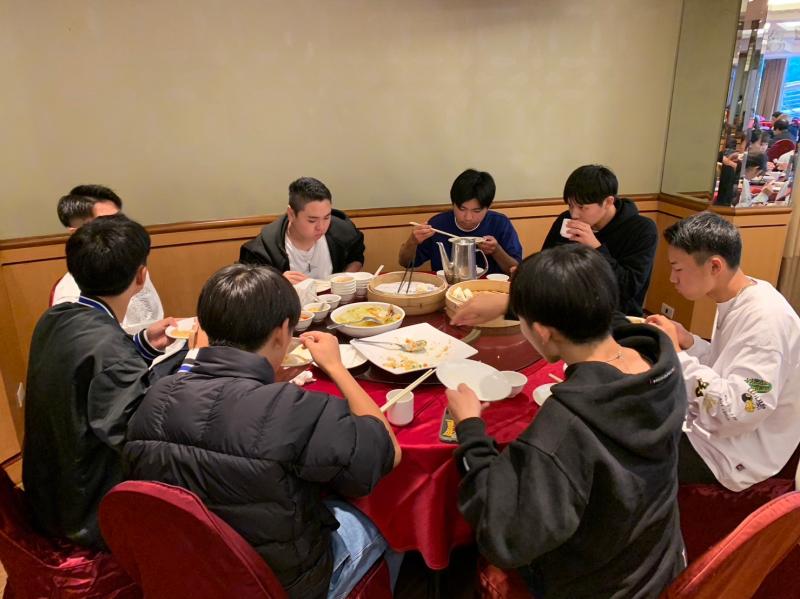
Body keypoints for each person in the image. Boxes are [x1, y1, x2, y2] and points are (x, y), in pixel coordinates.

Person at [124, 264, 401, 599]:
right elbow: (385, 453)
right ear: (283, 331)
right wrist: (335, 367)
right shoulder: (292, 409)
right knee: (389, 518)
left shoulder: (156, 396)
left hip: (192, 574)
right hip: (281, 586)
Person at [446, 244, 686, 598]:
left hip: (597, 585)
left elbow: (504, 535)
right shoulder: (658, 361)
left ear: (543, 332)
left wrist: (469, 428)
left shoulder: (564, 426)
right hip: (659, 563)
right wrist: (512, 305)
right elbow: (608, 317)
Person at [22, 215, 174, 548]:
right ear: (141, 276)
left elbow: (92, 373)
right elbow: (142, 440)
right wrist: (196, 364)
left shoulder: (55, 318)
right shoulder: (110, 352)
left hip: (46, 497)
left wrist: (143, 344)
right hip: (88, 516)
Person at [646, 212, 800, 491]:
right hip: (718, 432)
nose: (672, 278)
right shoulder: (740, 297)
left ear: (714, 265)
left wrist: (678, 355)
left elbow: (740, 410)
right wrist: (690, 342)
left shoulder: (766, 321)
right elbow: (727, 365)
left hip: (735, 455)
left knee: (626, 449)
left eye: (678, 269)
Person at [541, 165, 658, 316]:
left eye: (582, 207)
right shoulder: (566, 219)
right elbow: (545, 263)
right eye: (570, 205)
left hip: (616, 316)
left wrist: (596, 248)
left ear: (608, 202)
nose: (574, 214)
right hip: (569, 309)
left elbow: (627, 288)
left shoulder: (642, 230)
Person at [52, 184, 164, 334]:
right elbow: (100, 343)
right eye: (107, 222)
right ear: (77, 233)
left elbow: (150, 318)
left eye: (120, 220)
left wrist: (147, 341)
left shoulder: (132, 266)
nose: (121, 228)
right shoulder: (71, 297)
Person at [239, 177, 365, 284]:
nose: (321, 227)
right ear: (291, 214)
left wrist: (343, 280)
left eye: (326, 217)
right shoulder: (261, 251)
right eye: (312, 220)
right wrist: (277, 283)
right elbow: (246, 288)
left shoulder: (343, 231)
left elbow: (356, 256)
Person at [398, 169, 522, 275]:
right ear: (453, 204)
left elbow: (515, 270)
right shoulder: (438, 224)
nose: (468, 217)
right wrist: (412, 241)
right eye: (462, 209)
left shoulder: (500, 224)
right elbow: (406, 263)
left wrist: (496, 251)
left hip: (488, 290)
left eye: (476, 211)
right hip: (448, 289)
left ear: (488, 207)